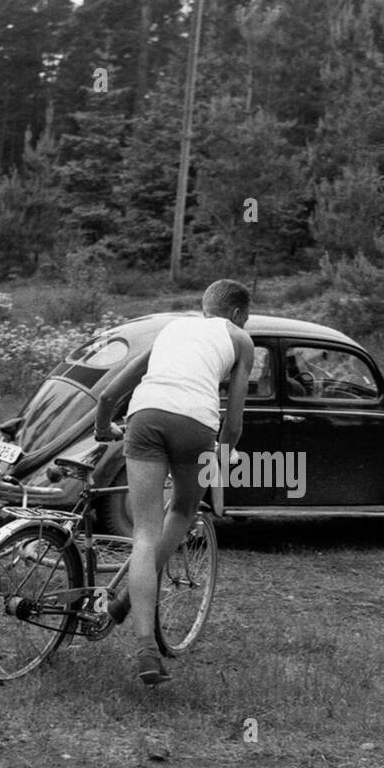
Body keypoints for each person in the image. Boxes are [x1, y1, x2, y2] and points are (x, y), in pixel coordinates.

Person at [94, 280, 254, 686]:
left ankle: (146, 649)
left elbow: (109, 394)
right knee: (182, 511)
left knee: (144, 533)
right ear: (237, 314)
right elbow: (234, 422)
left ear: (205, 308)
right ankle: (127, 600)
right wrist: (221, 457)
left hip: (144, 417)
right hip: (196, 423)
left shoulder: (171, 330)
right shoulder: (240, 339)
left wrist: (102, 430)